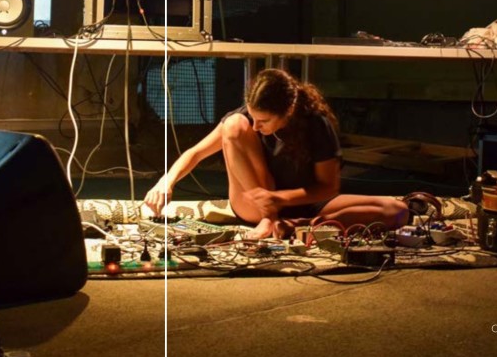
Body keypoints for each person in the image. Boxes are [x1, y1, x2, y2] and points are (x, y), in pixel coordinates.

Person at [143, 68, 408, 239]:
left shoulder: (316, 124)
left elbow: (328, 187)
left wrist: (281, 198)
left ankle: (302, 226)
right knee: (232, 125)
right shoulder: (246, 120)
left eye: (264, 121)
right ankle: (270, 220)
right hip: (256, 204)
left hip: (303, 204)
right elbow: (196, 153)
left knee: (397, 210)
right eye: (254, 117)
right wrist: (166, 181)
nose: (256, 126)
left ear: (288, 111)